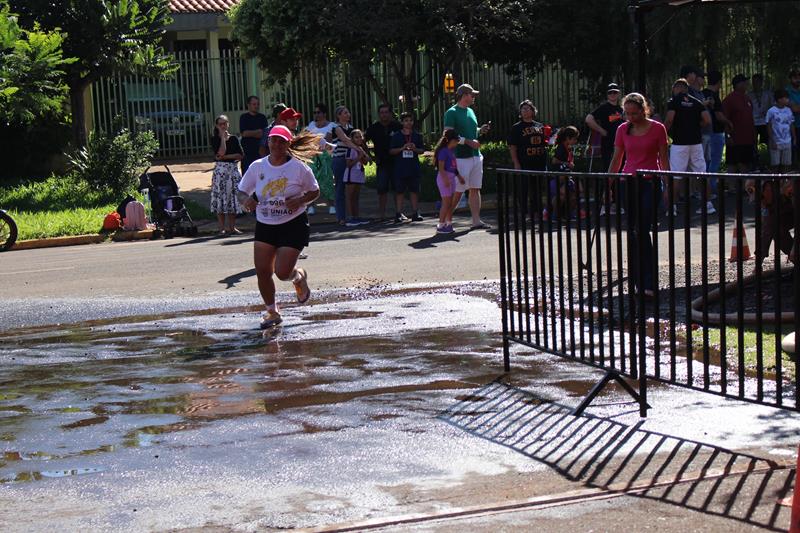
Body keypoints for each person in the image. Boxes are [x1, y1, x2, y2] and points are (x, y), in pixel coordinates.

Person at [237, 126, 320, 329]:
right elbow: (241, 191)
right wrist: (246, 200)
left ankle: (298, 276)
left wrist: (300, 200)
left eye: (281, 141)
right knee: (263, 271)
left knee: (282, 272)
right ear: (268, 142)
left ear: (288, 144)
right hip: (265, 224)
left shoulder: (299, 168)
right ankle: (272, 312)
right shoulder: (258, 166)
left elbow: (315, 191)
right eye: (273, 140)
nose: (276, 145)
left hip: (293, 225)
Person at [608, 93, 670, 294]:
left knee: (642, 229)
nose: (630, 117)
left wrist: (668, 185)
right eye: (627, 113)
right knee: (633, 232)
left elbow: (663, 159)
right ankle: (638, 281)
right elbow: (617, 158)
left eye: (634, 113)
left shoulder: (658, 128)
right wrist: (608, 182)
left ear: (644, 110)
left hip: (649, 182)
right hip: (628, 182)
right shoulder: (622, 129)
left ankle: (648, 282)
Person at [444, 84, 491, 230]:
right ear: (464, 95)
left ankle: (476, 221)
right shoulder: (451, 112)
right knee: (458, 190)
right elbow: (448, 134)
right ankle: (446, 220)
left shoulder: (470, 111)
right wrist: (468, 142)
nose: (474, 97)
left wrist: (479, 130)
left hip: (476, 156)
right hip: (460, 157)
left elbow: (471, 130)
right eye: (472, 95)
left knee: (475, 188)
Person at [663, 78, 712, 215]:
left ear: (676, 88)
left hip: (679, 144)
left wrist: (663, 134)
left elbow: (669, 119)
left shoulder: (673, 102)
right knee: (701, 174)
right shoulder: (697, 102)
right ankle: (708, 204)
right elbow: (707, 120)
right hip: (696, 143)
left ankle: (672, 207)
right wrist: (696, 126)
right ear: (686, 88)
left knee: (676, 175)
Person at [330, 105, 369, 225]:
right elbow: (346, 140)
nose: (348, 115)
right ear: (339, 115)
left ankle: (354, 216)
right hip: (340, 159)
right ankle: (341, 217)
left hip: (352, 158)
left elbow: (357, 141)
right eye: (345, 113)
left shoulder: (351, 128)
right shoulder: (336, 127)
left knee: (353, 189)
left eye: (348, 112)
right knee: (340, 188)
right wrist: (360, 151)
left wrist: (363, 153)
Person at [508, 99, 548, 216]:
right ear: (520, 112)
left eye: (528, 108)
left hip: (539, 162)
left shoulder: (540, 126)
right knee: (523, 188)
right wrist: (516, 163)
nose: (525, 111)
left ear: (533, 111)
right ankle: (524, 212)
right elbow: (512, 146)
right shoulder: (517, 127)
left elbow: (545, 142)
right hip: (524, 162)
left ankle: (537, 211)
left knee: (537, 188)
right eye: (523, 109)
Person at [365, 104, 402, 220]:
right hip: (381, 162)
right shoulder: (374, 128)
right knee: (382, 189)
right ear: (379, 114)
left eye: (386, 112)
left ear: (390, 113)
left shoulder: (397, 126)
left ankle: (399, 213)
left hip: (397, 162)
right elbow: (362, 141)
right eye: (381, 112)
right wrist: (369, 155)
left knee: (398, 188)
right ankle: (382, 214)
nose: (384, 114)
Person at [389, 112, 426, 223]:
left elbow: (422, 150)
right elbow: (391, 151)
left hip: (413, 167)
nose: (408, 122)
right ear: (402, 122)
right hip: (401, 167)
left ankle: (415, 212)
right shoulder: (396, 136)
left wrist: (415, 149)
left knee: (414, 190)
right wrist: (402, 148)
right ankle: (398, 213)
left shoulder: (417, 135)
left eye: (410, 120)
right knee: (400, 191)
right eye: (406, 120)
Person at [210, 115, 244, 235]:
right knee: (221, 198)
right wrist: (223, 139)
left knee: (232, 199)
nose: (223, 126)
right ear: (217, 126)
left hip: (232, 170)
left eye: (225, 123)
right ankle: (221, 228)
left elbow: (240, 155)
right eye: (221, 124)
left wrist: (226, 157)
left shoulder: (234, 139)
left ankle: (232, 227)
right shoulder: (215, 139)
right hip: (221, 171)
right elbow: (220, 153)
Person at [305, 103, 337, 215]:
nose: (316, 114)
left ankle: (332, 205)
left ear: (324, 113)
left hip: (326, 156)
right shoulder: (311, 125)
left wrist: (317, 141)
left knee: (328, 179)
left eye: (318, 112)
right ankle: (310, 206)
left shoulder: (331, 125)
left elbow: (328, 140)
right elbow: (308, 139)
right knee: (311, 180)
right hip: (313, 156)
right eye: (315, 112)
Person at [722, 74, 756, 173]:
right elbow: (725, 119)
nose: (747, 84)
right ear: (738, 84)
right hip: (735, 139)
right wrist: (727, 136)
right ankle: (733, 188)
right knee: (733, 164)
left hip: (748, 139)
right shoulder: (729, 99)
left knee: (746, 164)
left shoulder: (748, 99)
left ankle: (745, 188)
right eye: (745, 82)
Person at [547, 126, 581, 220]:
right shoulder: (561, 148)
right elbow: (554, 161)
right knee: (561, 194)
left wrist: (570, 164)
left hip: (567, 176)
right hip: (558, 177)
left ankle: (569, 213)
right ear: (567, 138)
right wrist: (566, 163)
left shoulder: (568, 148)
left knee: (575, 193)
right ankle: (554, 214)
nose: (575, 141)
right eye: (574, 139)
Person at [701, 70, 731, 174]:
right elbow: (719, 115)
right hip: (716, 133)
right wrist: (728, 122)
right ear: (719, 82)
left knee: (706, 162)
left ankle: (705, 187)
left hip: (705, 132)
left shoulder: (702, 94)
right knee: (714, 164)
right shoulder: (714, 96)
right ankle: (712, 187)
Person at [433, 129, 462, 234]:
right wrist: (445, 179)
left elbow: (453, 167)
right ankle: (441, 225)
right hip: (444, 178)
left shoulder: (452, 151)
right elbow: (441, 168)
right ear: (449, 140)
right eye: (455, 141)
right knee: (446, 203)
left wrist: (459, 177)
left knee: (450, 203)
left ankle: (449, 223)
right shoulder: (443, 151)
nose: (456, 144)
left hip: (451, 178)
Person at [766, 89, 797, 173]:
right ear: (779, 99)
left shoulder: (789, 110)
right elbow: (769, 126)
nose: (787, 100)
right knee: (775, 164)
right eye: (785, 98)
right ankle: (775, 184)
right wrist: (772, 140)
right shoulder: (771, 111)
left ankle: (785, 185)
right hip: (776, 141)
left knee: (786, 164)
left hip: (787, 141)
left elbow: (791, 124)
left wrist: (794, 137)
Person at [343, 129, 369, 226]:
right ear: (352, 139)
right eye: (356, 137)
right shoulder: (350, 149)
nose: (359, 139)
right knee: (350, 197)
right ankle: (350, 217)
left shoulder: (361, 149)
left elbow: (365, 163)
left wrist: (363, 157)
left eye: (360, 137)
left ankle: (356, 216)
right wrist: (359, 157)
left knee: (356, 197)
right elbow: (349, 164)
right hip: (351, 176)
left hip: (359, 175)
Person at [239, 96, 269, 174]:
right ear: (248, 105)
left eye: (258, 104)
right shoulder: (243, 117)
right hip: (247, 153)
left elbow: (263, 134)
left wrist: (251, 133)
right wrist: (257, 131)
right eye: (254, 104)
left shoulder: (262, 118)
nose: (256, 106)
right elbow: (244, 134)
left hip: (259, 152)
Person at [749, 73, 774, 148]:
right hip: (754, 122)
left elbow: (773, 106)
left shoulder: (768, 94)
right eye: (753, 82)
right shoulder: (749, 95)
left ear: (761, 82)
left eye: (757, 81)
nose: (755, 84)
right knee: (753, 142)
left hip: (765, 121)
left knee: (768, 140)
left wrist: (768, 111)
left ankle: (771, 156)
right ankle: (754, 157)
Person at [786, 66, 800, 168]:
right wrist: (794, 107)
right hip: (791, 126)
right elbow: (795, 109)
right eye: (795, 77)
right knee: (792, 153)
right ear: (790, 79)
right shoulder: (786, 91)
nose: (798, 79)